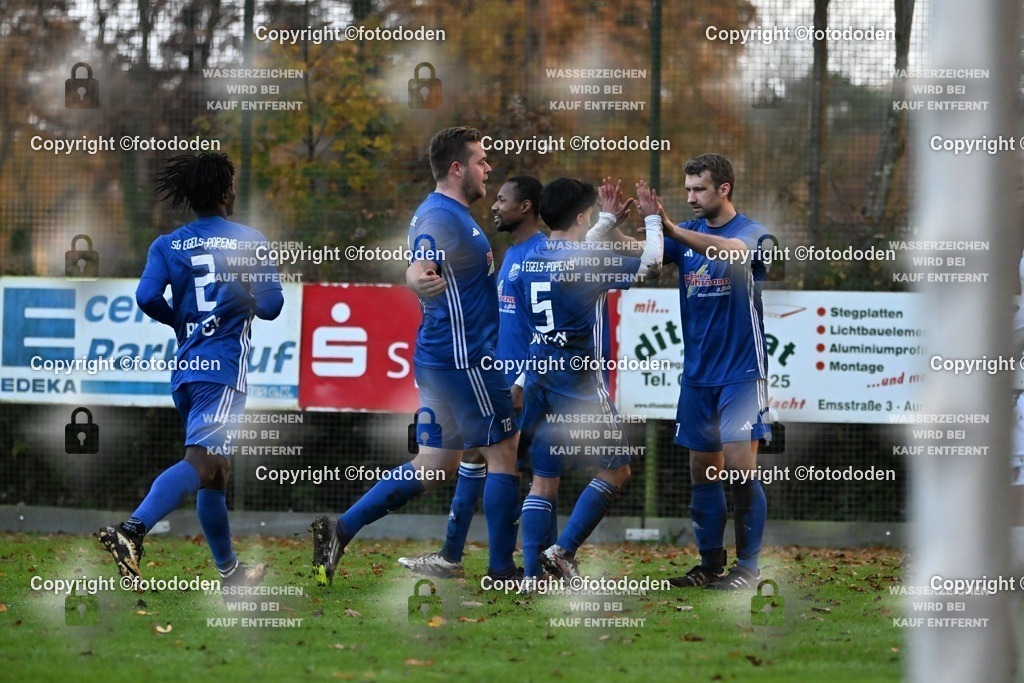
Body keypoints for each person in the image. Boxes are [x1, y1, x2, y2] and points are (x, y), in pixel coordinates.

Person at [311, 127, 522, 585]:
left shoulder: (442, 211)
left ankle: (340, 528)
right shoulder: (441, 218)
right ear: (456, 168)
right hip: (464, 359)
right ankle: (503, 572)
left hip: (437, 356)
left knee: (435, 464)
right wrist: (417, 277)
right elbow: (421, 260)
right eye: (482, 161)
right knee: (504, 452)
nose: (489, 169)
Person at [96, 152, 283, 589]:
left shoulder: (167, 244)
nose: (235, 191)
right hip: (222, 372)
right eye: (232, 184)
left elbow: (146, 297)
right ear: (223, 192)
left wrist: (180, 320)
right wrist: (244, 300)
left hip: (187, 369)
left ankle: (230, 574)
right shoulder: (250, 239)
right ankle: (133, 531)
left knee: (216, 471)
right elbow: (272, 307)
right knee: (201, 461)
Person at [511, 177, 663, 586]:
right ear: (582, 216)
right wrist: (652, 221)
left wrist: (606, 222)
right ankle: (562, 552)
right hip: (577, 384)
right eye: (591, 214)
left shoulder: (530, 256)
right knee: (617, 472)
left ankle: (530, 576)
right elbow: (651, 264)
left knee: (543, 481)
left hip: (540, 378)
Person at [397, 175, 549, 579]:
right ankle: (457, 556)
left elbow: (548, 327)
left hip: (521, 380)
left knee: (532, 465)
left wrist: (521, 378)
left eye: (503, 200)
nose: (495, 206)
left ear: (526, 207)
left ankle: (534, 564)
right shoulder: (513, 252)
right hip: (494, 373)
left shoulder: (543, 255)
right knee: (479, 455)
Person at [661, 153, 771, 591]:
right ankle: (709, 565)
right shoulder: (687, 235)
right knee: (702, 472)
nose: (690, 197)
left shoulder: (753, 232)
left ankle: (748, 569)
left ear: (723, 189)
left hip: (741, 373)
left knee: (740, 472)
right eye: (687, 189)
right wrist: (605, 226)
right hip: (698, 377)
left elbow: (737, 254)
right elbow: (644, 252)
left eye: (698, 189)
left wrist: (674, 232)